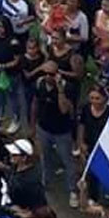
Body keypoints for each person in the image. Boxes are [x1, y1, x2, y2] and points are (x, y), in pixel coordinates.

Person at [32, 60, 79, 207]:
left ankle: (73, 190)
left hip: (62, 132)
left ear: (57, 74)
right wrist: (33, 125)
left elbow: (65, 109)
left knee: (68, 161)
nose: (47, 77)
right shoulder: (39, 84)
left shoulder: (68, 88)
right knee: (44, 156)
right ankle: (46, 181)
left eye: (51, 74)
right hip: (44, 128)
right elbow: (35, 103)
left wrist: (59, 89)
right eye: (45, 73)